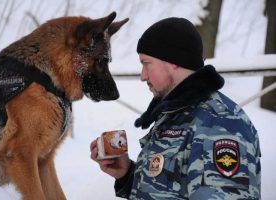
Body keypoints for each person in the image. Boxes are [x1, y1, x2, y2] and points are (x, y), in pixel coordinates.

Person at [90, 17, 261, 199]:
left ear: (173, 61)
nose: (142, 76)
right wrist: (128, 174)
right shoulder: (176, 114)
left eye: (146, 64)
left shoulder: (220, 126)